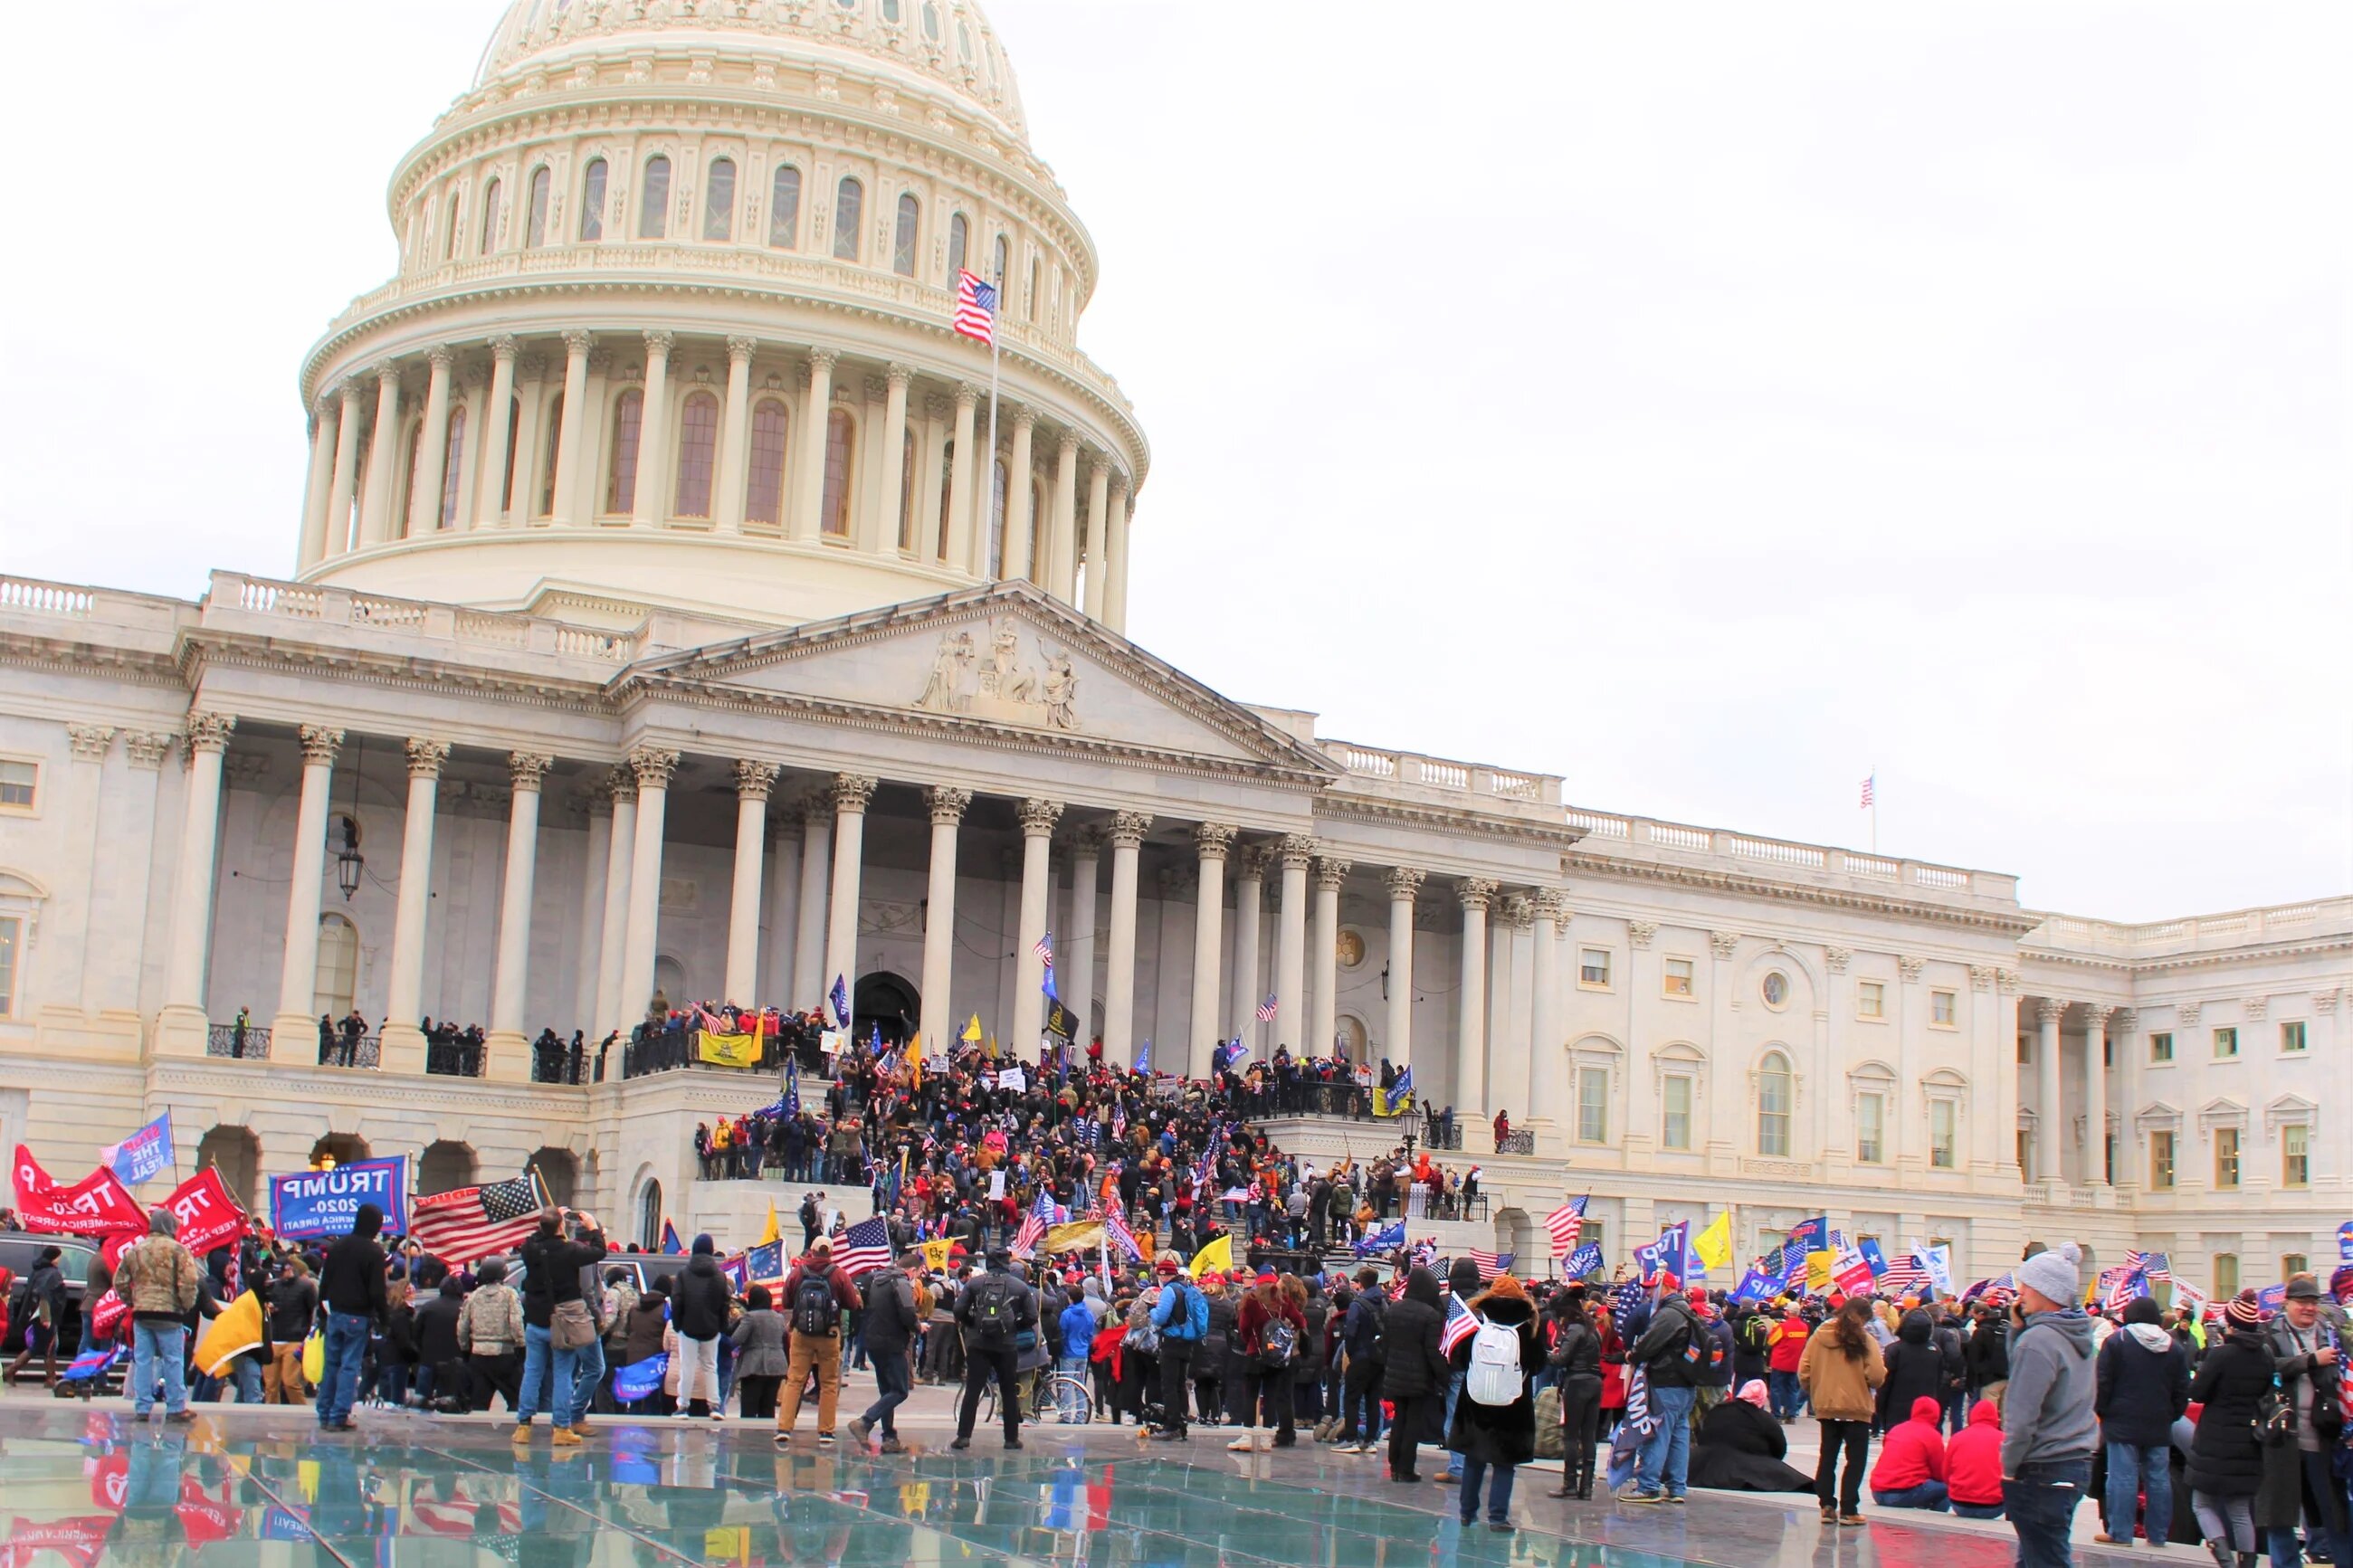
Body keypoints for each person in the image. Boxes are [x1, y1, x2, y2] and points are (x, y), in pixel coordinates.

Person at [2002, 1242, 2100, 1568]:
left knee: (2046, 1558)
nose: (2020, 1291)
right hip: (2075, 1458)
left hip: (2043, 1463)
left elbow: (2021, 1414)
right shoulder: (2078, 1333)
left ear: (2046, 1290)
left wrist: (2008, 1466)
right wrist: (2018, 1330)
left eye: (2027, 1284)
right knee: (2036, 1555)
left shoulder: (2039, 1341)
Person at [2263, 1273, 2348, 1568]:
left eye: (2313, 1302)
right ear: (2287, 1303)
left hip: (2323, 1437)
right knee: (2280, 1514)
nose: (2309, 1308)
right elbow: (2267, 1368)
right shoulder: (2270, 1333)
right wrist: (2311, 1361)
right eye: (2302, 1302)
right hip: (2283, 1437)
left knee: (2334, 1512)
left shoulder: (2332, 1332)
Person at [2095, 1295, 2190, 1545]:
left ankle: (2120, 1532)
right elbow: (2182, 1388)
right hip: (2159, 1422)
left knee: (2122, 1478)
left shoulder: (2117, 1342)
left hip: (2121, 1421)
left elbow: (2103, 1382)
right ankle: (2158, 1535)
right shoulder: (2173, 1347)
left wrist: (2103, 1411)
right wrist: (2172, 1414)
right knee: (2158, 1479)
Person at [2190, 1290, 2275, 1568]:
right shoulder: (2265, 1355)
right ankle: (2247, 1563)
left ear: (2231, 1323)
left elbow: (2198, 1393)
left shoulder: (2221, 1355)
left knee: (2202, 1504)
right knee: (2239, 1510)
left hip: (2215, 1438)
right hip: (2248, 1441)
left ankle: (2225, 1559)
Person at [1446, 1273, 1537, 1532]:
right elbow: (1538, 1364)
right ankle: (1497, 1517)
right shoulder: (1528, 1327)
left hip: (1475, 1400)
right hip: (1513, 1403)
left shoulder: (1476, 1322)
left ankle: (1467, 1512)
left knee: (1474, 1459)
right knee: (1504, 1463)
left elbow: (1461, 1359)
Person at [513, 1207, 605, 1445]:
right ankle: (561, 1427)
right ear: (561, 1226)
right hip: (563, 1321)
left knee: (532, 1372)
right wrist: (593, 1228)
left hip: (536, 1320)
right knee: (563, 1374)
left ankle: (523, 1425)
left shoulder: (529, 1249)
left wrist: (550, 1220)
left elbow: (533, 1236)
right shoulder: (570, 1250)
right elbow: (599, 1251)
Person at [1798, 1296, 1888, 1525]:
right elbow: (1877, 1374)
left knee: (1827, 1456)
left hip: (1827, 1404)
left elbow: (1804, 1369)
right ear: (1864, 1318)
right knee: (1855, 1459)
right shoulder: (1865, 1339)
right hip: (1856, 1405)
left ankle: (1827, 1505)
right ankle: (1849, 1509)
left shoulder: (1819, 1336)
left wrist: (1816, 1389)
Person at [1621, 1284, 1709, 1504]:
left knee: (1658, 1434)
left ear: (1666, 1288)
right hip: (1685, 1383)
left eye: (1652, 1288)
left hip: (1666, 1381)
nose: (1649, 1293)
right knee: (1679, 1436)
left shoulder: (1669, 1314)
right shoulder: (1686, 1311)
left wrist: (1632, 1355)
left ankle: (1649, 1486)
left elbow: (1647, 1344)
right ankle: (1677, 1487)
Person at [116, 1209, 202, 1423]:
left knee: (143, 1360)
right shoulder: (178, 1250)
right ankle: (175, 1407)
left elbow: (120, 1281)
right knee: (173, 1360)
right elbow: (190, 1280)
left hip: (141, 1312)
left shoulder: (136, 1250)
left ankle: (142, 1407)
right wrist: (185, 1305)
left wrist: (132, 1301)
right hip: (169, 1313)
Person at [951, 1250, 1036, 1451]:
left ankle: (963, 1436)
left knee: (973, 1389)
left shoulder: (974, 1284)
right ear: (1007, 1263)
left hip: (978, 1343)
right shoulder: (1019, 1286)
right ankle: (1011, 1438)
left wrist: (973, 1324)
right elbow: (1032, 1316)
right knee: (1008, 1390)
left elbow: (958, 1310)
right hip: (1006, 1345)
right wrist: (1014, 1327)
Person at [316, 1202, 387, 1431]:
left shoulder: (338, 1246)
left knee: (331, 1364)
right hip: (358, 1315)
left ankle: (324, 1412)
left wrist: (321, 1311)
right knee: (349, 1366)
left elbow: (325, 1281)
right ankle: (339, 1415)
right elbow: (377, 1291)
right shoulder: (374, 1252)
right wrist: (384, 1318)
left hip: (335, 1312)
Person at [847, 1251, 922, 1450]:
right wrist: (918, 1326)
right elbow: (907, 1311)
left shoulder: (876, 1280)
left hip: (873, 1340)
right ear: (912, 1270)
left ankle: (889, 1437)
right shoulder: (901, 1283)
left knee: (887, 1392)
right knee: (900, 1391)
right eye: (917, 1274)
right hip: (893, 1342)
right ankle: (865, 1421)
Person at [1380, 1267, 1448, 1483]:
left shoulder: (1394, 1309)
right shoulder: (1430, 1315)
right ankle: (1406, 1468)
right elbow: (1432, 1352)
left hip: (1395, 1374)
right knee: (1413, 1423)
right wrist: (1443, 1377)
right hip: (1419, 1378)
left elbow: (1385, 1344)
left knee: (1399, 1419)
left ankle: (1394, 1465)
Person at [1690, 1379, 1815, 1493]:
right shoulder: (1763, 1418)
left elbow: (1703, 1435)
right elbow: (1779, 1446)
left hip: (1705, 1462)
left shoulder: (1718, 1410)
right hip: (1747, 1464)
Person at [1231, 1268, 1307, 1451]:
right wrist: (1285, 1333)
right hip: (1275, 1356)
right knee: (1271, 1396)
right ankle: (1266, 1439)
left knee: (1250, 1395)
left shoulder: (1250, 1300)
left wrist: (1251, 1341)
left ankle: (1247, 1437)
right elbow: (1300, 1321)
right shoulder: (1283, 1301)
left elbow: (1244, 1327)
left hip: (1254, 1353)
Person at [1544, 1293, 1605, 1498]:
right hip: (1595, 1382)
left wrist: (1545, 1355)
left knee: (1570, 1435)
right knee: (1589, 1436)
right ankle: (1586, 1486)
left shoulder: (1574, 1329)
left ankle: (1569, 1483)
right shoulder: (1592, 1329)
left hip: (1577, 1383)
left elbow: (1562, 1359)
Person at [671, 1234, 734, 1422]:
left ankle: (683, 1406)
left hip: (688, 1326)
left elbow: (677, 1300)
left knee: (687, 1367)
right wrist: (721, 1326)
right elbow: (725, 1303)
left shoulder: (684, 1273)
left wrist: (677, 1324)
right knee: (710, 1367)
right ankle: (714, 1406)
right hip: (712, 1327)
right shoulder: (719, 1275)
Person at [1148, 1255, 1207, 1440]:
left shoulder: (1169, 1290)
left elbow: (1160, 1318)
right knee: (1181, 1384)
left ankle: (1172, 1425)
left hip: (1172, 1341)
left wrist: (1152, 1310)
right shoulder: (1188, 1287)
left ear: (1163, 1275)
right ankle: (1182, 1423)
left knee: (1169, 1385)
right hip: (1188, 1341)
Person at [456, 1257, 524, 1412]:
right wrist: (521, 1346)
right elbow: (516, 1323)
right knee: (516, 1400)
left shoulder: (474, 1296)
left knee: (479, 1404)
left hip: (479, 1356)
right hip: (505, 1354)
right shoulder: (509, 1295)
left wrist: (465, 1349)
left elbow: (462, 1327)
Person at [1338, 1267, 1389, 1455]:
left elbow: (1351, 1332)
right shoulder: (1383, 1301)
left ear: (1360, 1282)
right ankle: (1370, 1440)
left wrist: (1350, 1353)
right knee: (1373, 1399)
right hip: (1379, 1356)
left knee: (1351, 1397)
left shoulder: (1357, 1304)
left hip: (1360, 1355)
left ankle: (1350, 1439)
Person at [1871, 1395, 1953, 1509]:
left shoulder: (1897, 1429)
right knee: (1948, 1488)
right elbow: (1939, 1472)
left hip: (1878, 1492)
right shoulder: (1932, 1435)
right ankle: (1933, 1516)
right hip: (1902, 1492)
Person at [5, 1244, 68, 1387]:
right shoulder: (52, 1274)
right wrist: (46, 1317)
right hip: (45, 1315)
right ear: (52, 1258)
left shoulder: (38, 1270)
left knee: (46, 1345)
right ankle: (12, 1371)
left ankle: (50, 1378)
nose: (59, 1260)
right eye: (58, 1257)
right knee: (43, 1346)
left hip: (36, 1314)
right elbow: (45, 1295)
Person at [729, 1285, 788, 1420]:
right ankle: (766, 1433)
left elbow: (737, 1339)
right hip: (776, 1365)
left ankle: (749, 1433)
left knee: (749, 1409)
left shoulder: (750, 1317)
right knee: (768, 1408)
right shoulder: (779, 1317)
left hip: (753, 1365)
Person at [263, 1257, 318, 1403]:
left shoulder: (306, 1287)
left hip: (294, 1338)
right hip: (274, 1338)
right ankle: (270, 1412)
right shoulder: (273, 1286)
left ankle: (301, 1409)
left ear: (289, 1269)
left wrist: (307, 1333)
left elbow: (312, 1310)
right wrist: (270, 1308)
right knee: (270, 1386)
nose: (280, 1277)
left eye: (281, 1273)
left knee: (291, 1382)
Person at [1948, 1398, 2010, 1518]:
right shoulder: (2004, 1440)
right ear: (1995, 1417)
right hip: (1993, 1506)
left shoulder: (1957, 1437)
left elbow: (1946, 1472)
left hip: (1960, 1504)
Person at [1055, 1286, 1096, 1424]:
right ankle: (1080, 1415)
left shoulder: (1066, 1314)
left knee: (1066, 1384)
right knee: (1080, 1385)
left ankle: (1066, 1415)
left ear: (1070, 1298)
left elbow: (1062, 1333)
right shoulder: (1088, 1314)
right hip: (1083, 1352)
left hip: (1068, 1352)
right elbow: (1090, 1334)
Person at [1767, 1300, 1811, 1421]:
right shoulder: (1804, 1327)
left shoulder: (1783, 1327)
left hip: (1780, 1362)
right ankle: (1791, 1414)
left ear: (1787, 1312)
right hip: (1795, 1362)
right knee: (1791, 1389)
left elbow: (1771, 1341)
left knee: (1776, 1389)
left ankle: (1776, 1414)